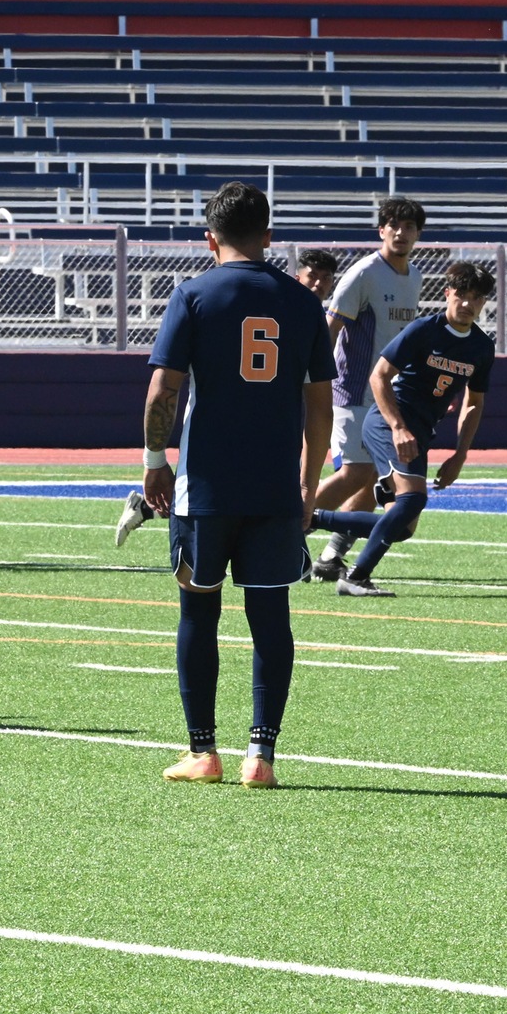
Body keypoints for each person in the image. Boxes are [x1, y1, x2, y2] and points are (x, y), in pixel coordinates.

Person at [138, 182, 332, 789]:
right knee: (270, 615)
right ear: (269, 236)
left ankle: (203, 751)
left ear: (209, 238)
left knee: (198, 609)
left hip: (206, 488)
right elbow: (321, 407)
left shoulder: (193, 295)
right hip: (274, 486)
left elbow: (162, 391)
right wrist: (309, 483)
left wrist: (153, 459)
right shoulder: (302, 303)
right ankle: (262, 757)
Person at [306, 259, 498, 597]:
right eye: (462, 294)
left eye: (477, 298)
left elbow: (473, 403)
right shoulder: (425, 329)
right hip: (387, 424)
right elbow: (378, 375)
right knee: (412, 500)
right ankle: (355, 577)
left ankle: (312, 519)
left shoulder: (481, 346)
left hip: (420, 432)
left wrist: (460, 456)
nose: (468, 304)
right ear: (447, 293)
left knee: (403, 526)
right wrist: (396, 426)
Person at [312, 196, 426, 579]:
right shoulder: (364, 273)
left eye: (409, 226)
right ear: (381, 230)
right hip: (353, 390)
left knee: (379, 479)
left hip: (388, 398)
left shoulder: (414, 276)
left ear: (418, 234)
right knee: (358, 475)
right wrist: (317, 381)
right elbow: (332, 327)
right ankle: (289, 527)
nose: (401, 232)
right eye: (393, 224)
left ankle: (331, 554)